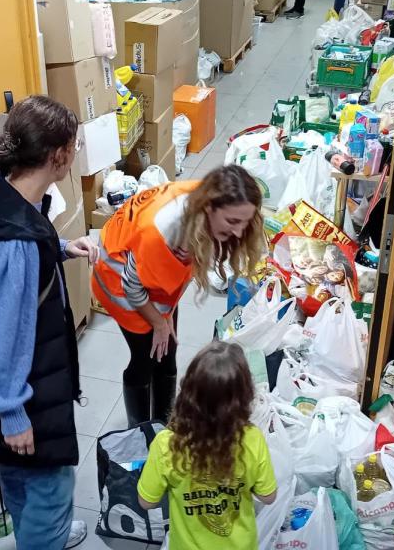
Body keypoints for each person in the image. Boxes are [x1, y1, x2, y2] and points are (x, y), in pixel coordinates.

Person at [0, 96, 98, 550]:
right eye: (74, 146)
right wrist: (12, 413)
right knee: (50, 490)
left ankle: (39, 532)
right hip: (20, 396)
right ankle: (44, 536)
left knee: (19, 483)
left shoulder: (2, 190)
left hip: (22, 385)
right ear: (59, 156)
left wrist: (56, 248)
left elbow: (24, 251)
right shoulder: (9, 244)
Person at [92, 166, 265, 426]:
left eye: (245, 222)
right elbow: (132, 287)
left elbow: (181, 271)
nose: (240, 232)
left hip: (147, 270)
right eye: (232, 222)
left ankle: (162, 425)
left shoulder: (206, 198)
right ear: (209, 208)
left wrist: (167, 313)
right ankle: (139, 432)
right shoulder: (160, 231)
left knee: (167, 351)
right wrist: (159, 321)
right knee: (145, 358)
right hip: (118, 276)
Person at [137, 341, 278, 549]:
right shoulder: (252, 439)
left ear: (187, 392)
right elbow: (268, 496)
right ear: (244, 397)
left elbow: (146, 501)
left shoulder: (167, 444)